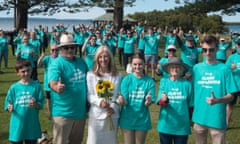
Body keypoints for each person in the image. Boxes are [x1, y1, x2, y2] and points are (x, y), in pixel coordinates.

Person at [192, 35, 238, 144]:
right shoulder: (196, 68)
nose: (208, 53)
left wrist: (218, 100)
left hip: (217, 119)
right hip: (199, 118)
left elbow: (231, 96)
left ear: (217, 49)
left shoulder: (225, 69)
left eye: (211, 50)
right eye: (204, 50)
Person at [48, 34, 88, 144]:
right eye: (66, 47)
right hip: (63, 113)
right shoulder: (56, 64)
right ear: (60, 49)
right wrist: (57, 87)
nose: (70, 50)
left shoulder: (81, 62)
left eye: (72, 47)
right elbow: (52, 82)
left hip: (80, 112)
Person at [86, 45, 122, 144]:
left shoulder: (117, 75)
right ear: (97, 59)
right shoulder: (91, 75)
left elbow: (119, 95)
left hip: (112, 115)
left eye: (105, 56)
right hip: (96, 115)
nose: (103, 59)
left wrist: (113, 107)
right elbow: (89, 95)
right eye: (100, 57)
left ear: (110, 57)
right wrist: (100, 102)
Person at [4, 59, 45, 144]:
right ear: (17, 73)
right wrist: (9, 107)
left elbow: (41, 103)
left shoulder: (36, 86)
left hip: (31, 125)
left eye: (28, 70)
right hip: (17, 125)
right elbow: (8, 102)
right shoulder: (14, 88)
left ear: (32, 69)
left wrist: (35, 104)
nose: (26, 73)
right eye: (23, 71)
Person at [118, 52, 156, 144]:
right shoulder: (126, 79)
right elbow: (125, 101)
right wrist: (122, 100)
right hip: (127, 118)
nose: (137, 67)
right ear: (131, 65)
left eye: (140, 64)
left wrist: (148, 101)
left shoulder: (149, 81)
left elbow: (148, 103)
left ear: (144, 64)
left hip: (142, 119)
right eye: (135, 64)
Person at [156, 57, 193, 144]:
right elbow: (159, 102)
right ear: (168, 69)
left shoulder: (187, 84)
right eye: (172, 67)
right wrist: (164, 100)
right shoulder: (164, 82)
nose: (175, 69)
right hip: (166, 124)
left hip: (182, 126)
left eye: (177, 67)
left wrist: (191, 120)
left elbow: (191, 105)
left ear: (182, 69)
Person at [37, 43, 59, 117]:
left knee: (57, 99)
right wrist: (41, 57)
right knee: (49, 99)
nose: (54, 51)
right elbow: (39, 65)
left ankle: (57, 112)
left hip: (58, 83)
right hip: (48, 83)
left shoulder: (60, 59)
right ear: (50, 51)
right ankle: (50, 113)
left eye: (56, 50)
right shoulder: (47, 58)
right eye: (53, 50)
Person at [225, 39, 240, 127]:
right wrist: (230, 67)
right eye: (239, 45)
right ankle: (226, 123)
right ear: (237, 46)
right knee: (230, 105)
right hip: (234, 85)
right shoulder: (232, 57)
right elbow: (225, 69)